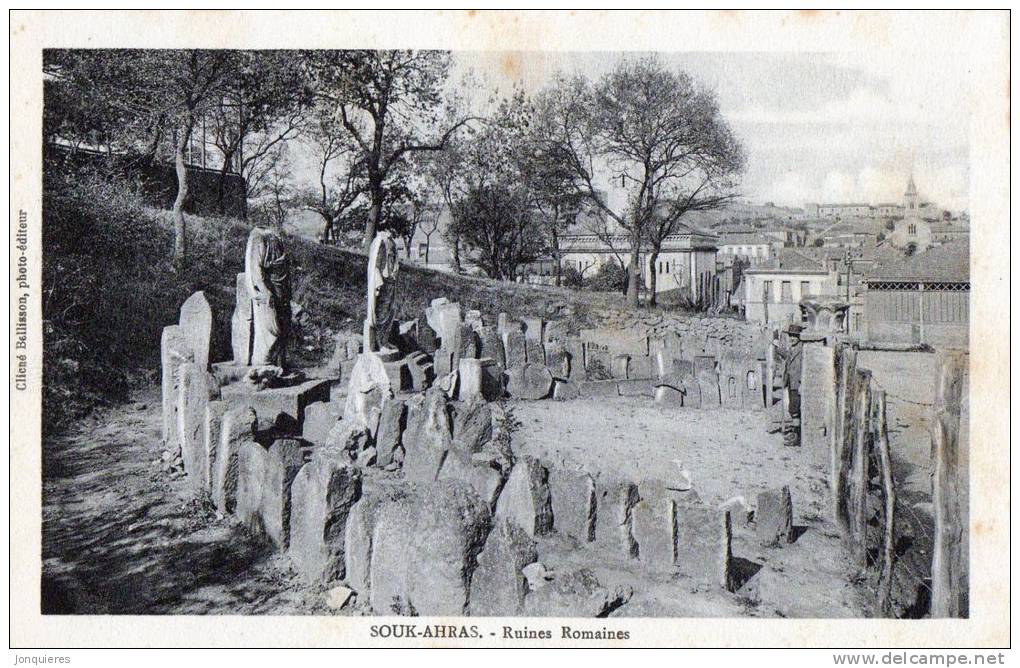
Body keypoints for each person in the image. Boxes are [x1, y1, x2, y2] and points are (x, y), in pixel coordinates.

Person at [245, 227, 292, 368]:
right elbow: (255, 270)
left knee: (283, 327)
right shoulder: (258, 238)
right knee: (270, 328)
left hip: (281, 291)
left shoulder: (276, 238)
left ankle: (279, 365)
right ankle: (263, 364)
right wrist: (265, 291)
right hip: (268, 292)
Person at [781, 323, 804, 446]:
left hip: (797, 383)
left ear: (799, 337)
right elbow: (788, 358)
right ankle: (796, 433)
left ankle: (797, 436)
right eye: (791, 336)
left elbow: (803, 368)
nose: (792, 338)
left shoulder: (802, 349)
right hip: (791, 381)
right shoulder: (792, 348)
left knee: (795, 409)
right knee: (792, 408)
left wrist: (801, 383)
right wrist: (777, 348)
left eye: (795, 336)